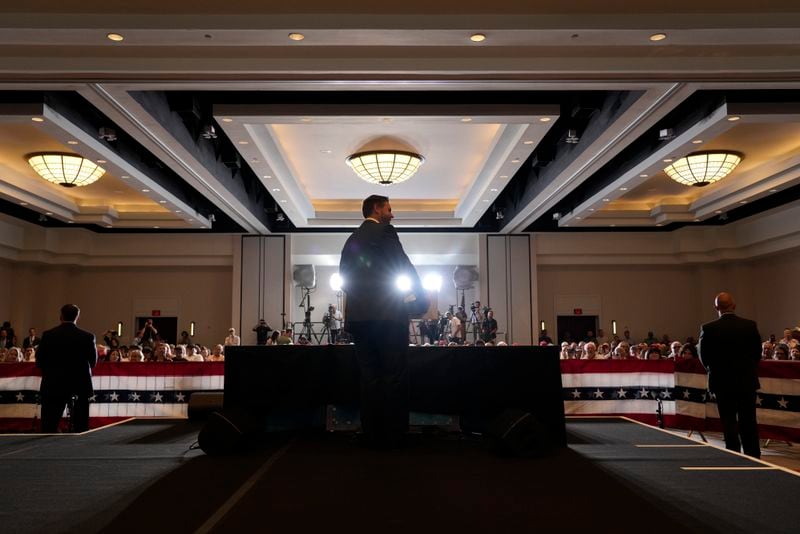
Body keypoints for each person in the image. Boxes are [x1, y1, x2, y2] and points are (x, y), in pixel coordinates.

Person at [339, 194, 423, 449]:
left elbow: (344, 275)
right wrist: (418, 298)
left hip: (361, 320)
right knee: (394, 374)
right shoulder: (387, 233)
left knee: (369, 376)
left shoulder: (352, 239)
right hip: (389, 317)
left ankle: (371, 433)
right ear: (377, 209)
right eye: (389, 208)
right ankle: (394, 435)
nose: (392, 214)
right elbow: (403, 266)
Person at [698, 292, 762, 458]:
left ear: (716, 307)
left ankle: (734, 455)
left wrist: (714, 371)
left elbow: (704, 356)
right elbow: (757, 353)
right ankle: (753, 455)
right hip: (746, 381)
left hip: (721, 383)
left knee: (728, 422)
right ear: (734, 306)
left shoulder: (708, 328)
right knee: (748, 421)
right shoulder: (749, 325)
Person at [35, 304, 98, 433]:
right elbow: (93, 362)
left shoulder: (48, 335)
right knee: (81, 426)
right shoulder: (88, 337)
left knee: (49, 424)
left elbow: (39, 361)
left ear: (61, 316)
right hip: (79, 385)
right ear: (78, 317)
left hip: (53, 385)